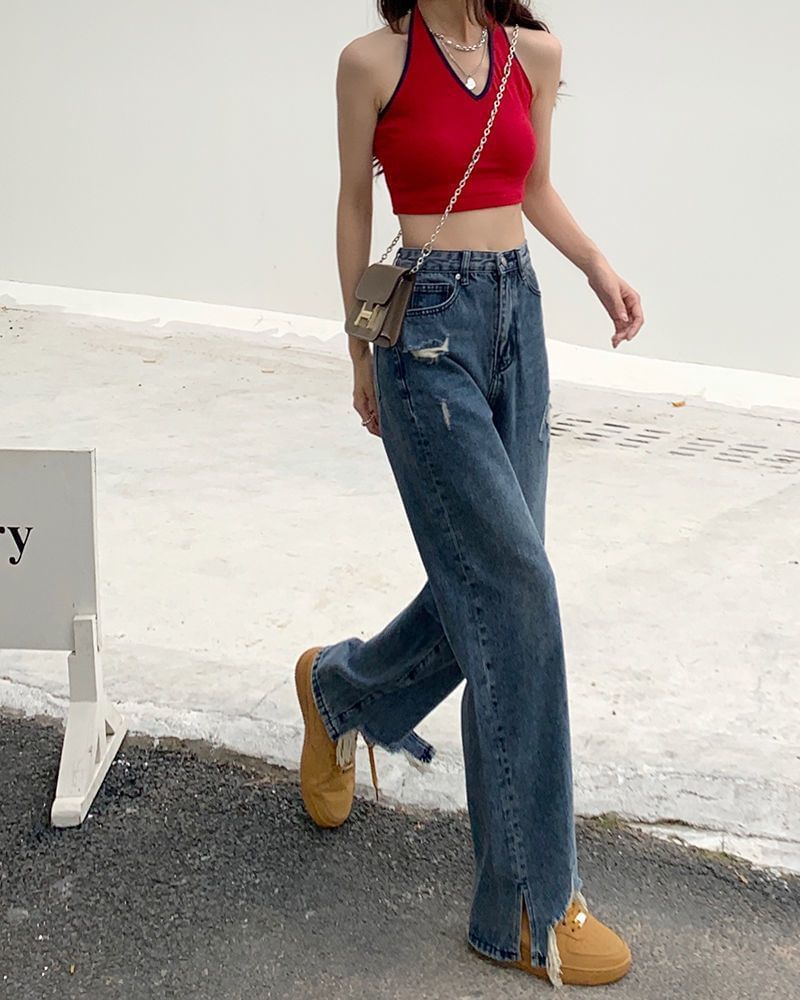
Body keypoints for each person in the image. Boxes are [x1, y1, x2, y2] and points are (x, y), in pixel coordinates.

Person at [295, 0, 644, 987]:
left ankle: (338, 691)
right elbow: (353, 208)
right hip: (425, 334)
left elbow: (531, 187)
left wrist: (597, 266)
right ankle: (530, 904)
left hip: (516, 322)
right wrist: (358, 349)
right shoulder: (372, 63)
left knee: (495, 593)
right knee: (514, 590)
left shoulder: (533, 55)